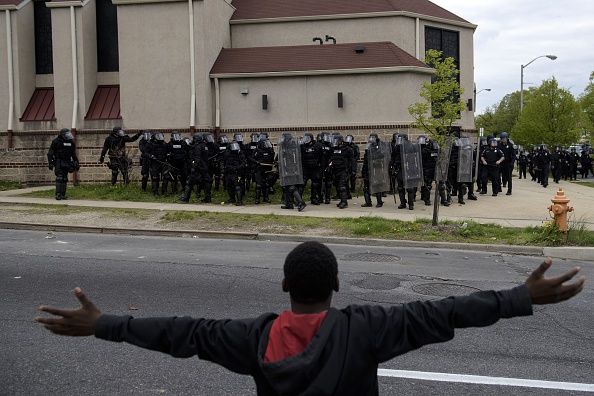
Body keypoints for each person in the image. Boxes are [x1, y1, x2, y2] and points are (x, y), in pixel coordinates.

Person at [35, 242, 585, 396]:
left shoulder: (250, 338)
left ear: (283, 286)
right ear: (338, 286)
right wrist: (522, 296)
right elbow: (447, 312)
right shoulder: (365, 329)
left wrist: (103, 323)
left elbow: (180, 332)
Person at [47, 128, 80, 200]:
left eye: (69, 134)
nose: (68, 136)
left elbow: (73, 154)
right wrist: (50, 163)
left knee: (65, 178)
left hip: (67, 162)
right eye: (67, 134)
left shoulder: (71, 142)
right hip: (59, 161)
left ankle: (63, 195)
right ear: (62, 135)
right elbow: (50, 153)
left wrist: (77, 162)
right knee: (60, 178)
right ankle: (58, 194)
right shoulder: (56, 141)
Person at [300, 133, 323, 205]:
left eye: (307, 138)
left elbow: (322, 157)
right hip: (305, 168)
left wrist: (320, 167)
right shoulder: (302, 146)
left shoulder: (317, 145)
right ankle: (299, 199)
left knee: (315, 184)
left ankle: (314, 198)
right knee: (302, 184)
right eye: (305, 138)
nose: (306, 140)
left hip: (315, 168)